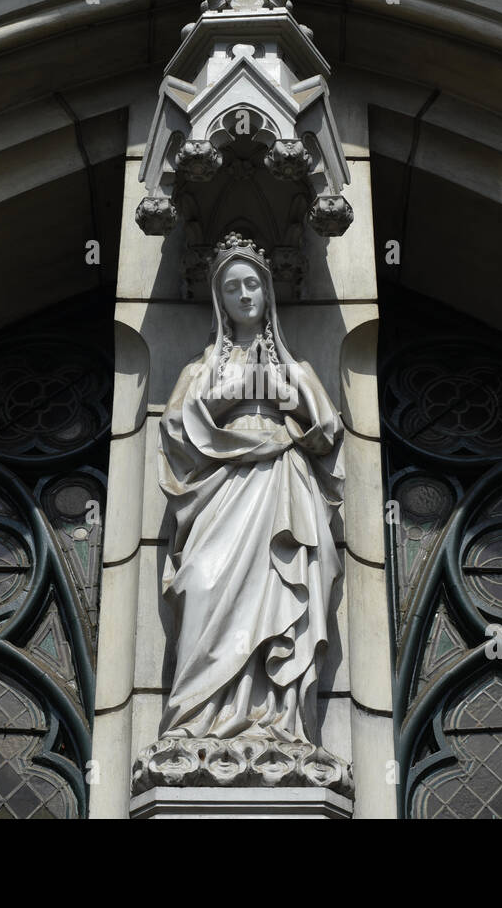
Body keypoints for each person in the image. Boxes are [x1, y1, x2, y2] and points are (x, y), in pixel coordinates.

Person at [157, 232, 343, 745]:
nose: (243, 295)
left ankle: (275, 717)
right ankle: (199, 718)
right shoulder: (202, 369)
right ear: (219, 300)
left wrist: (283, 394)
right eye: (232, 288)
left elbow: (328, 430)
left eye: (252, 285)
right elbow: (175, 429)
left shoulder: (293, 367)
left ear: (267, 293)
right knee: (200, 582)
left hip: (280, 481)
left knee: (286, 585)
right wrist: (232, 392)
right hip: (222, 487)